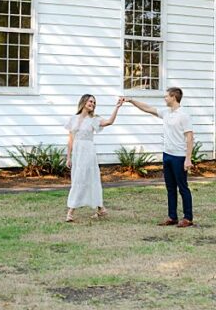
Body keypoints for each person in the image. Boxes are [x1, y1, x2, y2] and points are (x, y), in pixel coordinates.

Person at [124, 87, 195, 227]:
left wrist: (188, 158)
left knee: (183, 187)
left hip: (179, 157)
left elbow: (190, 138)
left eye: (166, 96)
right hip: (167, 155)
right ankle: (172, 217)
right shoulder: (166, 113)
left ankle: (188, 218)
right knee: (170, 188)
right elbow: (147, 108)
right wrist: (131, 100)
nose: (164, 98)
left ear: (173, 97)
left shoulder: (184, 115)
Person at [65, 94, 122, 222]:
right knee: (78, 178)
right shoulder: (73, 119)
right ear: (84, 102)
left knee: (86, 178)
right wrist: (68, 157)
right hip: (77, 153)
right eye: (91, 101)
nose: (93, 104)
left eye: (94, 102)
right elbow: (70, 140)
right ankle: (101, 208)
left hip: (88, 152)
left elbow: (109, 122)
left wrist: (117, 107)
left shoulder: (94, 120)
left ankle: (71, 211)